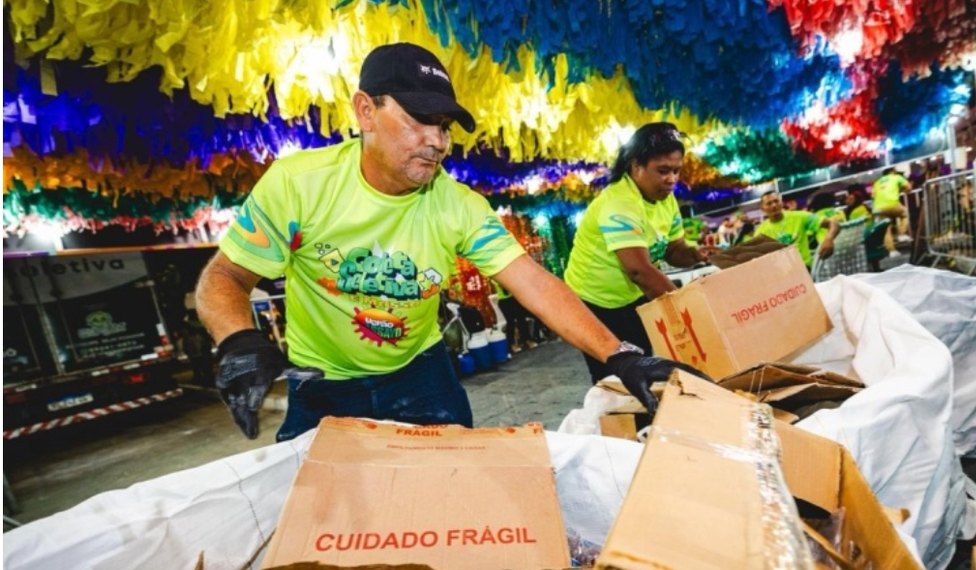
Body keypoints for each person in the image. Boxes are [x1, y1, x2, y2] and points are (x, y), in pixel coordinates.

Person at [195, 43, 700, 440]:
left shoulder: (457, 203)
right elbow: (225, 276)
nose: (435, 140)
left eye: (442, 126)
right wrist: (239, 341)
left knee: (455, 500)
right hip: (323, 383)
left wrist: (619, 354)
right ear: (365, 110)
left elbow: (532, 282)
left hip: (422, 373)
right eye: (416, 119)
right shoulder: (297, 184)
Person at [562, 122, 714, 383]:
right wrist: (689, 310)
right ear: (636, 166)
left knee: (645, 360)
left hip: (630, 296)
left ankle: (647, 417)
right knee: (614, 376)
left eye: (676, 171)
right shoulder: (619, 204)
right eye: (663, 170)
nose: (671, 179)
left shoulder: (665, 199)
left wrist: (694, 255)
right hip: (593, 302)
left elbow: (672, 249)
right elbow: (639, 270)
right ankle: (617, 421)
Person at [751, 191, 841, 269]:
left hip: (804, 268)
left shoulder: (799, 216)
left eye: (776, 201)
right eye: (769, 203)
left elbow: (833, 224)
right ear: (763, 208)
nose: (774, 205)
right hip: (780, 275)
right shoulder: (760, 232)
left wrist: (829, 239)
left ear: (781, 203)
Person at [871, 167, 913, 240]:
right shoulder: (896, 177)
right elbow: (909, 188)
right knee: (904, 214)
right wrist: (900, 190)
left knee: (886, 228)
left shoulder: (877, 182)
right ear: (893, 171)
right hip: (892, 203)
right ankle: (901, 234)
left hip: (877, 207)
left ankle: (892, 251)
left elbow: (872, 196)